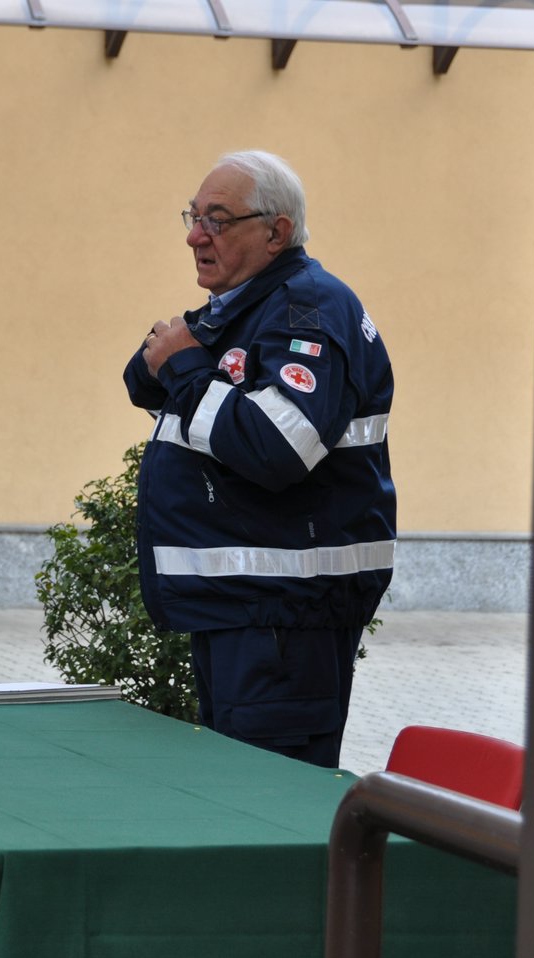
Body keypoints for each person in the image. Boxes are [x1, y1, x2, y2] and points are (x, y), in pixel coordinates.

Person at [123, 150, 395, 769]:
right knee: (233, 799)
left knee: (267, 808)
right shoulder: (247, 306)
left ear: (276, 232)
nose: (195, 236)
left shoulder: (310, 311)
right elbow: (144, 380)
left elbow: (279, 446)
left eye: (217, 219)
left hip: (286, 614)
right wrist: (177, 361)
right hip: (247, 610)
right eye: (193, 217)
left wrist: (187, 365)